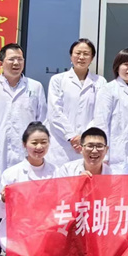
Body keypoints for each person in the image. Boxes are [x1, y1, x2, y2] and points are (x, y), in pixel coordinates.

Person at [0, 43, 47, 173]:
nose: (16, 63)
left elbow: (42, 120)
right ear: (1, 64)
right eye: (11, 59)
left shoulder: (35, 87)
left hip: (26, 152)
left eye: (20, 59)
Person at [54, 127, 111, 256]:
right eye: (90, 146)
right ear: (81, 148)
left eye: (99, 146)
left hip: (99, 222)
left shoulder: (112, 174)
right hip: (74, 220)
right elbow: (58, 200)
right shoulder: (67, 170)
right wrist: (76, 186)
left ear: (106, 150)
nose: (95, 150)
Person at [0, 123, 56, 256]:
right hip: (20, 229)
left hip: (48, 227)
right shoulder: (11, 174)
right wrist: (3, 200)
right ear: (24, 144)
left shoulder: (56, 171)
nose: (39, 147)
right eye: (34, 143)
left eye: (44, 142)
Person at [45, 39, 106, 167]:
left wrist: (84, 136)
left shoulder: (100, 82)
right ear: (71, 56)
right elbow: (55, 112)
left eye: (86, 54)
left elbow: (100, 114)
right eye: (78, 53)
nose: (81, 57)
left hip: (87, 144)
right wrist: (71, 136)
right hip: (61, 143)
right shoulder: (58, 80)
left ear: (92, 58)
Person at [92, 48, 128, 175]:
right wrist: (104, 154)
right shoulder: (108, 90)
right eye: (126, 64)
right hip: (116, 154)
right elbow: (101, 123)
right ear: (117, 66)